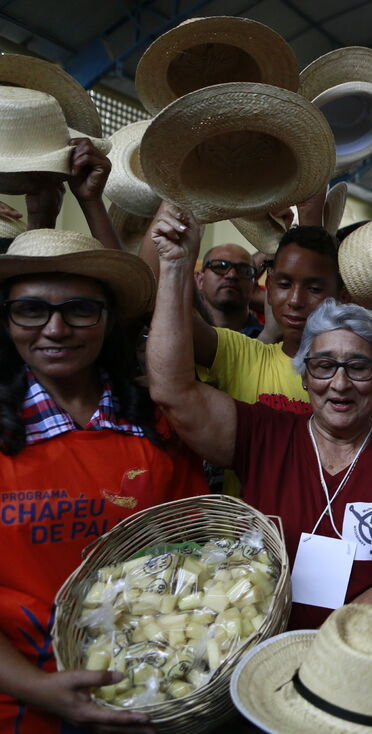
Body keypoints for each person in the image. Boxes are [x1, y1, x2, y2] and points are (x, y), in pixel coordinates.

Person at [146, 211, 372, 630]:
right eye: (323, 366)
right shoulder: (265, 433)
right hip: (253, 640)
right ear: (303, 375)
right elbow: (172, 391)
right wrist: (174, 267)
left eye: (358, 367)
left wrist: (321, 647)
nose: (339, 384)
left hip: (353, 650)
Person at [0, 229, 206, 734]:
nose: (55, 329)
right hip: (23, 700)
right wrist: (37, 687)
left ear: (108, 320)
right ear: (5, 320)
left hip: (149, 691)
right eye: (30, 310)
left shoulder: (156, 426)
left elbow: (195, 558)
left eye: (79, 310)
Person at [194, 243, 262, 337]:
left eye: (244, 270)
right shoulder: (183, 332)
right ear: (200, 280)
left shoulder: (275, 340)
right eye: (220, 267)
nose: (232, 275)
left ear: (254, 286)